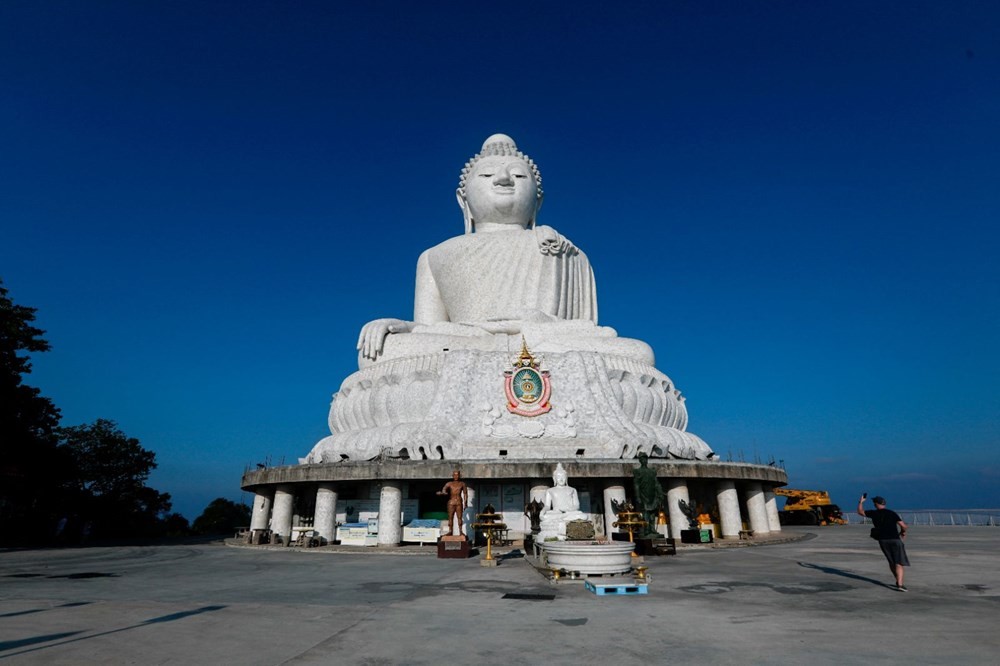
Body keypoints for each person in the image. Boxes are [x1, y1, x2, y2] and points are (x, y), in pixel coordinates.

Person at [356, 134, 609, 366]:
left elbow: (581, 329)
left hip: (543, 342)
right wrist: (402, 326)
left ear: (538, 201)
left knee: (637, 353)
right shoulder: (434, 256)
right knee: (379, 354)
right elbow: (429, 327)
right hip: (465, 341)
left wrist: (534, 328)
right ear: (463, 199)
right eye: (487, 175)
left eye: (519, 176)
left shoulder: (565, 252)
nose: (503, 179)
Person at [858, 494, 911, 591]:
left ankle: (897, 581)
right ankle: (900, 584)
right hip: (895, 539)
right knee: (898, 562)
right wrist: (903, 532)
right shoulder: (891, 513)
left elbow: (860, 512)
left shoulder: (874, 513)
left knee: (891, 562)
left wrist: (861, 502)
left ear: (876, 504)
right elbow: (904, 526)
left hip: (882, 540)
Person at [537, 463, 588, 540]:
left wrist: (568, 510)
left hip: (569, 512)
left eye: (563, 477)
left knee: (583, 516)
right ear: (554, 479)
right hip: (556, 513)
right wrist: (542, 511)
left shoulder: (572, 490)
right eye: (558, 477)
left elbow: (577, 506)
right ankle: (563, 521)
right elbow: (547, 506)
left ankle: (563, 522)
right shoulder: (550, 491)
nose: (561, 479)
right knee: (546, 516)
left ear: (566, 478)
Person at [632, 453, 664, 537]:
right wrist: (638, 496)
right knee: (645, 513)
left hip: (652, 495)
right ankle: (646, 530)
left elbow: (656, 483)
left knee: (652, 513)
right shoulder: (637, 471)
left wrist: (660, 494)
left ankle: (652, 529)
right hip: (643, 495)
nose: (644, 461)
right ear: (640, 460)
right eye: (642, 459)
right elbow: (636, 485)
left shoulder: (652, 471)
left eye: (645, 459)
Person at [437, 471, 468, 537]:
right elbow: (444, 490)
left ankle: (460, 531)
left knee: (459, 517)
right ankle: (450, 531)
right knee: (450, 517)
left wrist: (465, 502)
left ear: (459, 475)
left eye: (457, 475)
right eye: (454, 475)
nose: (456, 476)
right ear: (452, 476)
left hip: (459, 502)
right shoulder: (449, 484)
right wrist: (442, 493)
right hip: (451, 502)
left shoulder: (462, 484)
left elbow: (465, 493)